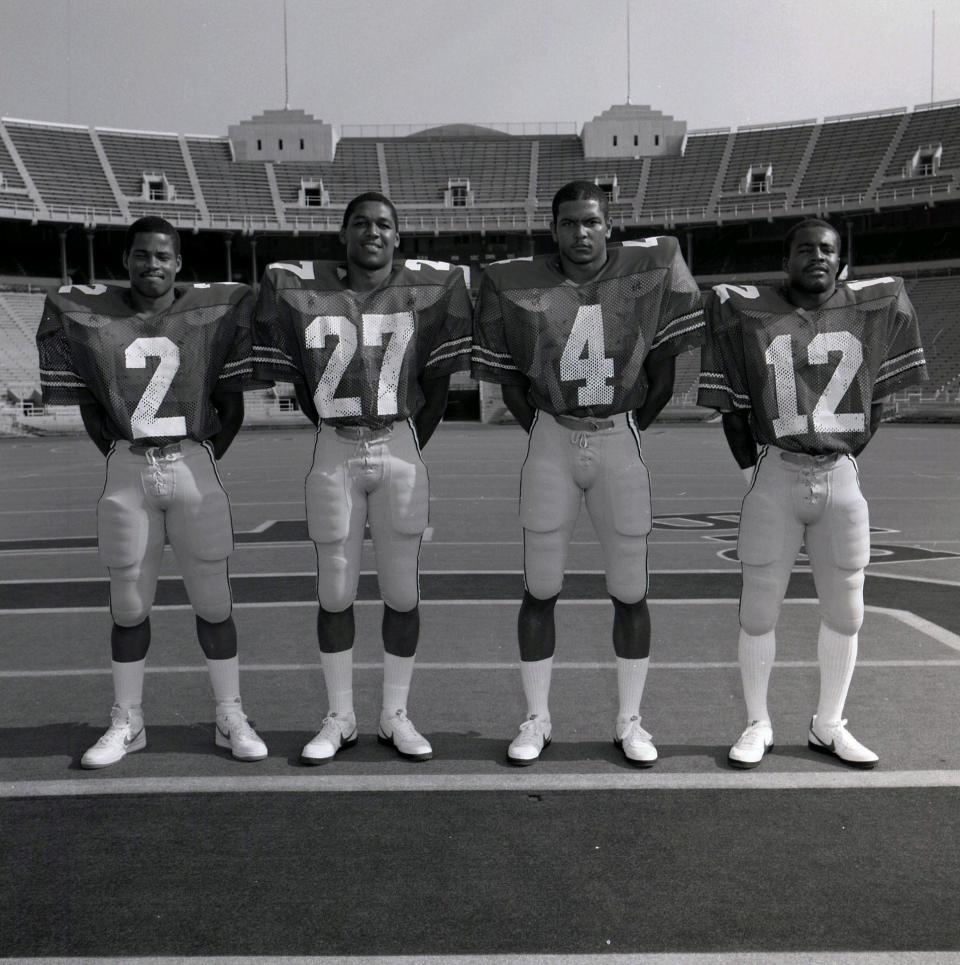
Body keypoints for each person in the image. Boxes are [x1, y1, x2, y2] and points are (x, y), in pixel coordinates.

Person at [472, 180, 705, 766]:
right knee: (540, 589)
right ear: (553, 229)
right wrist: (553, 428)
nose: (581, 233)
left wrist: (626, 427)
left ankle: (630, 720)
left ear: (610, 227)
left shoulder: (646, 275)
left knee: (630, 590)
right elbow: (511, 387)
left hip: (618, 440)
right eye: (570, 222)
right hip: (552, 439)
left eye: (592, 222)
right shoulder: (517, 284)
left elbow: (663, 378)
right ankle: (536, 718)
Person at [36, 215, 267, 768]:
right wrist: (122, 457)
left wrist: (199, 457)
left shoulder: (209, 313)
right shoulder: (93, 316)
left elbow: (231, 408)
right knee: (128, 606)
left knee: (213, 602)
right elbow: (92, 408)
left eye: (162, 256)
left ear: (178, 262)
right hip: (128, 467)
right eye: (141, 255)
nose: (151, 265)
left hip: (192, 463)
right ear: (126, 262)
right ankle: (127, 719)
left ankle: (230, 713)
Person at [697, 218, 928, 769]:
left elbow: (874, 408)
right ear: (787, 259)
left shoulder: (873, 309)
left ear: (841, 261)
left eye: (827, 249)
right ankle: (758, 723)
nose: (817, 257)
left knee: (847, 609)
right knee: (758, 610)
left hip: (839, 476)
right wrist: (753, 472)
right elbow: (732, 410)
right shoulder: (745, 311)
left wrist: (838, 456)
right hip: (775, 471)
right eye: (806, 249)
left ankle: (830, 724)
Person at [253, 191, 472, 764]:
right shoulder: (306, 294)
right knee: (335, 592)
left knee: (402, 592)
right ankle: (340, 716)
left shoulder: (423, 293)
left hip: (399, 445)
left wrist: (403, 441)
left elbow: (438, 387)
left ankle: (395, 714)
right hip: (335, 448)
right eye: (360, 224)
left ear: (399, 238)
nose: (372, 232)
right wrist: (341, 427)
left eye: (383, 225)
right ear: (343, 237)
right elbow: (304, 387)